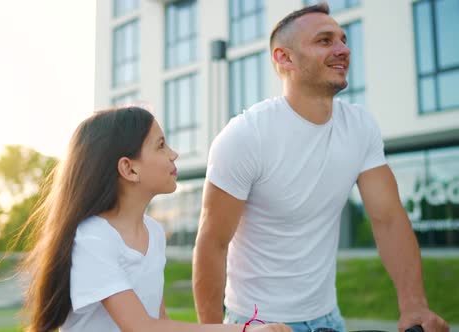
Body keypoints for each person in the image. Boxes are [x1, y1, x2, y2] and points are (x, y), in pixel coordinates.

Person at [192, 3, 449, 332]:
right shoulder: (245, 136)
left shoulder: (360, 126)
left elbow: (388, 219)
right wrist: (214, 330)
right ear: (284, 58)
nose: (343, 49)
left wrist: (414, 304)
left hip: (329, 319)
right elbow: (212, 243)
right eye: (325, 41)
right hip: (257, 323)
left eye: (343, 39)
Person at [17, 106, 292, 332]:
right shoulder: (93, 239)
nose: (174, 153)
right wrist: (243, 330)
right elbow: (140, 326)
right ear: (129, 169)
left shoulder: (154, 232)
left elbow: (160, 323)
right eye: (160, 145)